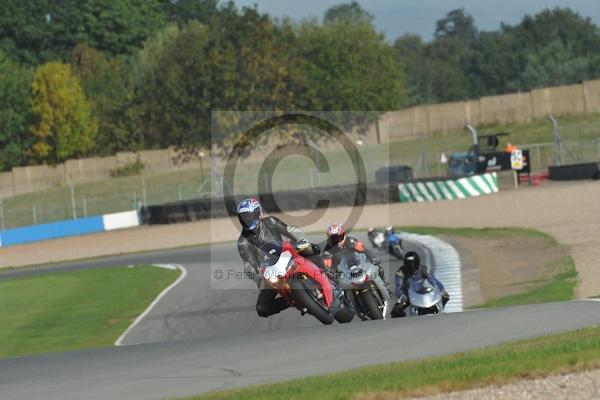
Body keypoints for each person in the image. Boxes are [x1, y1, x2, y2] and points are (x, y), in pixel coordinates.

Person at [236, 198, 311, 318]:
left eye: (250, 215)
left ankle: (327, 272)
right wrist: (259, 280)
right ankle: (293, 300)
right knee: (262, 308)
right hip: (271, 272)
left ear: (259, 214)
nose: (247, 220)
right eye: (244, 217)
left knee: (309, 248)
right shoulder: (243, 243)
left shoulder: (270, 221)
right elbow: (248, 266)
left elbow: (291, 230)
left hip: (288, 255)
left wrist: (302, 240)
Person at [322, 223, 390, 290]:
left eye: (339, 237)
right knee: (335, 285)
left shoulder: (351, 241)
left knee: (377, 265)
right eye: (334, 239)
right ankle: (344, 299)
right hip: (342, 272)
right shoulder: (327, 251)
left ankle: (384, 281)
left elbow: (365, 250)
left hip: (359, 264)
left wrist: (373, 258)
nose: (337, 241)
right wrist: (330, 272)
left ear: (344, 235)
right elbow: (327, 266)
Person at [391, 251, 450, 318]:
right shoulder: (401, 272)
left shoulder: (423, 269)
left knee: (445, 296)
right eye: (409, 264)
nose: (411, 266)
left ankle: (441, 313)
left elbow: (434, 281)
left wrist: (441, 290)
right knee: (396, 311)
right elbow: (398, 288)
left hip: (422, 293)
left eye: (413, 264)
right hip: (408, 296)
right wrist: (402, 296)